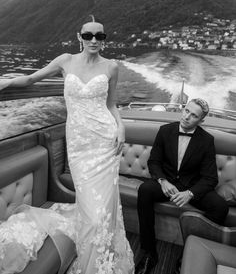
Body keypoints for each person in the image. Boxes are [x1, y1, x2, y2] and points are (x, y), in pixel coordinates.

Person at [0, 15, 134, 274]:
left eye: (99, 36)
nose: (94, 40)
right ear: (79, 37)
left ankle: (102, 262)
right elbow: (30, 80)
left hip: (105, 142)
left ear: (104, 40)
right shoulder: (65, 61)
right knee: (89, 207)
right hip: (80, 145)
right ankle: (91, 256)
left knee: (101, 212)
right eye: (88, 35)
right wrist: (4, 82)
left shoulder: (111, 67)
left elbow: (111, 105)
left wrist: (121, 126)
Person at [135, 98, 229, 274]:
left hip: (191, 186)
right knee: (145, 190)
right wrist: (162, 181)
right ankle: (149, 252)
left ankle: (191, 251)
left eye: (193, 116)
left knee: (220, 207)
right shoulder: (165, 131)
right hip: (168, 182)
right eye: (186, 111)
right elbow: (154, 162)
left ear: (201, 121)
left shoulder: (207, 140)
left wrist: (190, 193)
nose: (186, 117)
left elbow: (210, 178)